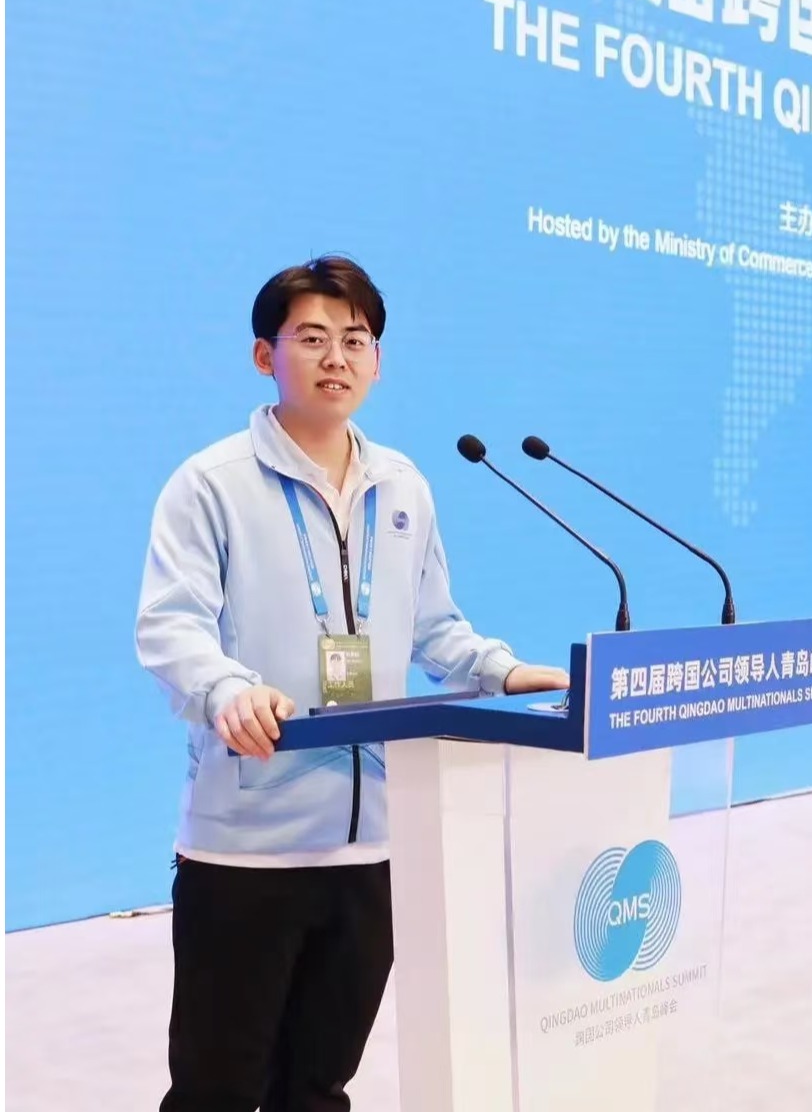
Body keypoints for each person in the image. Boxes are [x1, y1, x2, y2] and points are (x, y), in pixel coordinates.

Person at [135, 255, 567, 1111]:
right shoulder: (211, 484)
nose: (336, 357)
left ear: (378, 362)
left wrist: (504, 672)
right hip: (248, 847)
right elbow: (170, 625)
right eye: (312, 338)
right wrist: (227, 690)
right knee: (217, 1089)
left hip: (375, 848)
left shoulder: (403, 485)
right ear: (265, 356)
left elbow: (436, 627)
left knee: (320, 1087)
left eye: (356, 339)